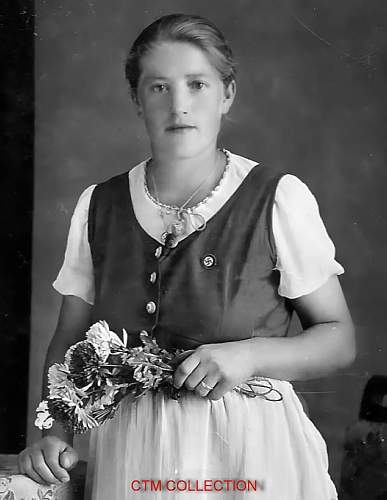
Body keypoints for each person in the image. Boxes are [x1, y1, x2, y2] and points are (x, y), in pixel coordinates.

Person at [18, 13, 356, 499]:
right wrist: (51, 433)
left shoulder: (278, 198)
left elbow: (339, 338)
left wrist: (249, 356)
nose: (179, 105)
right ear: (137, 100)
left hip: (249, 454)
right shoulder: (99, 205)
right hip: (134, 452)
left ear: (228, 94)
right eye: (158, 88)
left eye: (197, 84)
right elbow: (69, 341)